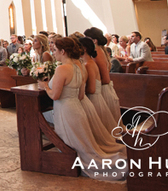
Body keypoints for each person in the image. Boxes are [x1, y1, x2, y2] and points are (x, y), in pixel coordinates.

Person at [38, 37, 126, 181]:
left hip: (66, 110)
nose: (54, 53)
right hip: (77, 108)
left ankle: (74, 166)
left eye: (55, 50)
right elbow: (80, 95)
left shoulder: (62, 68)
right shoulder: (78, 67)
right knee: (83, 144)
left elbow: (55, 95)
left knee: (75, 144)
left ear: (63, 51)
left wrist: (45, 86)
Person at [84, 27, 122, 124]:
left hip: (102, 90)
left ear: (94, 41)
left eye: (87, 38)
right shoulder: (99, 50)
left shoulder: (97, 52)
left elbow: (105, 78)